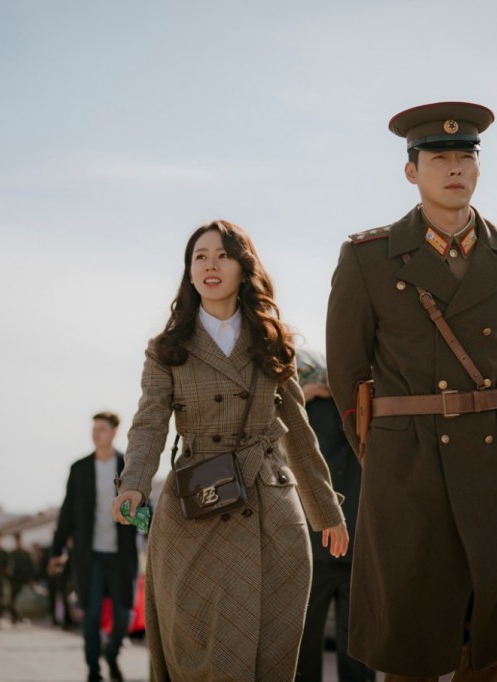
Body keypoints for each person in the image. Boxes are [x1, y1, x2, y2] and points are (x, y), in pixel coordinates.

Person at [325, 102, 497, 682]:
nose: (453, 168)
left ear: (478, 168)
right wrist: (387, 451)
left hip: (495, 469)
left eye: (465, 157)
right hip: (407, 469)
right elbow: (347, 376)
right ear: (412, 170)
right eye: (438, 158)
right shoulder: (367, 259)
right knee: (411, 635)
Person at [112, 220, 350, 681]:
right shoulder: (167, 349)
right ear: (189, 272)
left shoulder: (273, 341)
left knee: (270, 654)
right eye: (199, 256)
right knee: (198, 652)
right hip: (197, 508)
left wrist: (327, 511)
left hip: (271, 513)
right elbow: (149, 422)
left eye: (222, 254)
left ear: (244, 267)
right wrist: (134, 485)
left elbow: (299, 433)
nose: (210, 265)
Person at [294, 348, 373, 682]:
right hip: (359, 540)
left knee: (306, 638)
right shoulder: (364, 414)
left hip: (314, 542)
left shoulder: (303, 416)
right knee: (358, 641)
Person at [49, 412, 140, 682]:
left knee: (124, 613)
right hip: (90, 556)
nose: (96, 433)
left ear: (113, 432)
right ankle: (93, 670)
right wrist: (56, 551)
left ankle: (111, 654)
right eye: (94, 429)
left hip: (122, 554)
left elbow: (144, 504)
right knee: (91, 613)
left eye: (102, 429)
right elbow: (67, 512)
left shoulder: (128, 465)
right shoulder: (79, 469)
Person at [8, 533, 35, 624]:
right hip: (14, 580)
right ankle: (14, 617)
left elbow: (30, 566)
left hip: (24, 580)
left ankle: (22, 616)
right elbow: (9, 568)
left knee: (24, 599)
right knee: (14, 599)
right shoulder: (12, 554)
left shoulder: (26, 553)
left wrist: (30, 579)